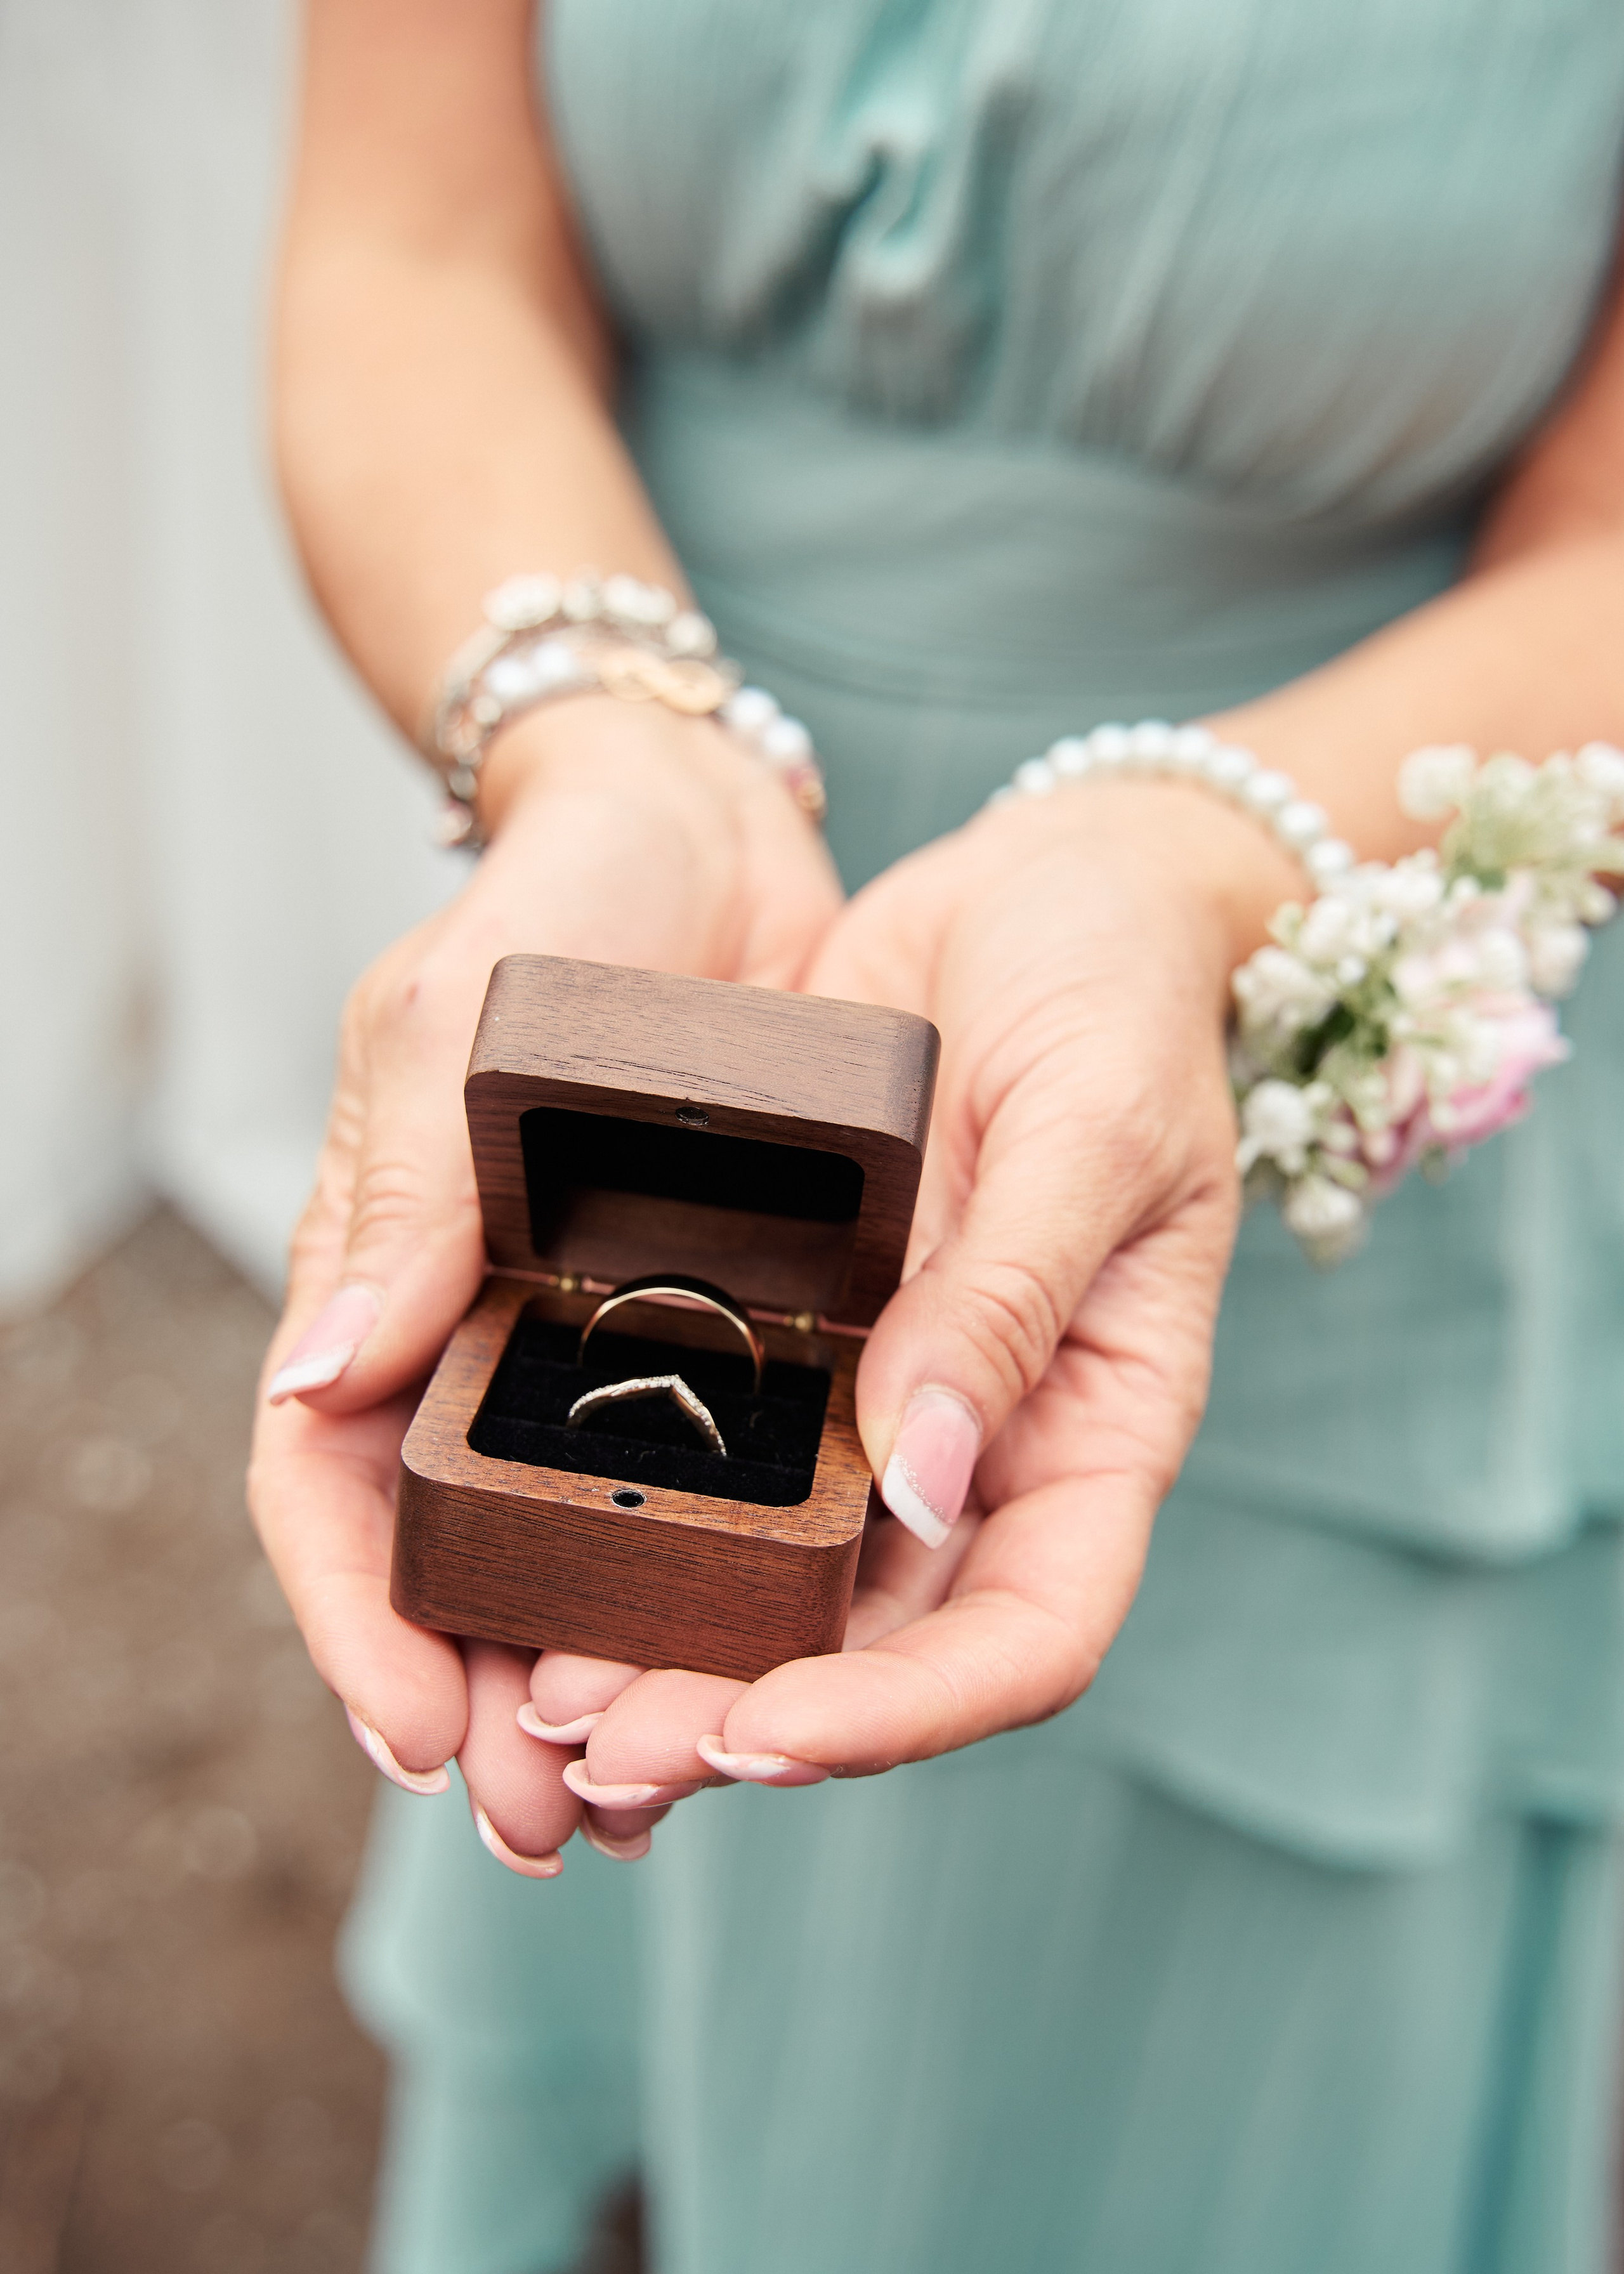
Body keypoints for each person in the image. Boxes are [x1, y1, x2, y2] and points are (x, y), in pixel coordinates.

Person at [248, 3, 1624, 2268]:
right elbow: (415, 243)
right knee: (609, 1875)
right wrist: (609, 749)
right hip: (664, 1000)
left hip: (1265, 1015)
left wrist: (1191, 865)